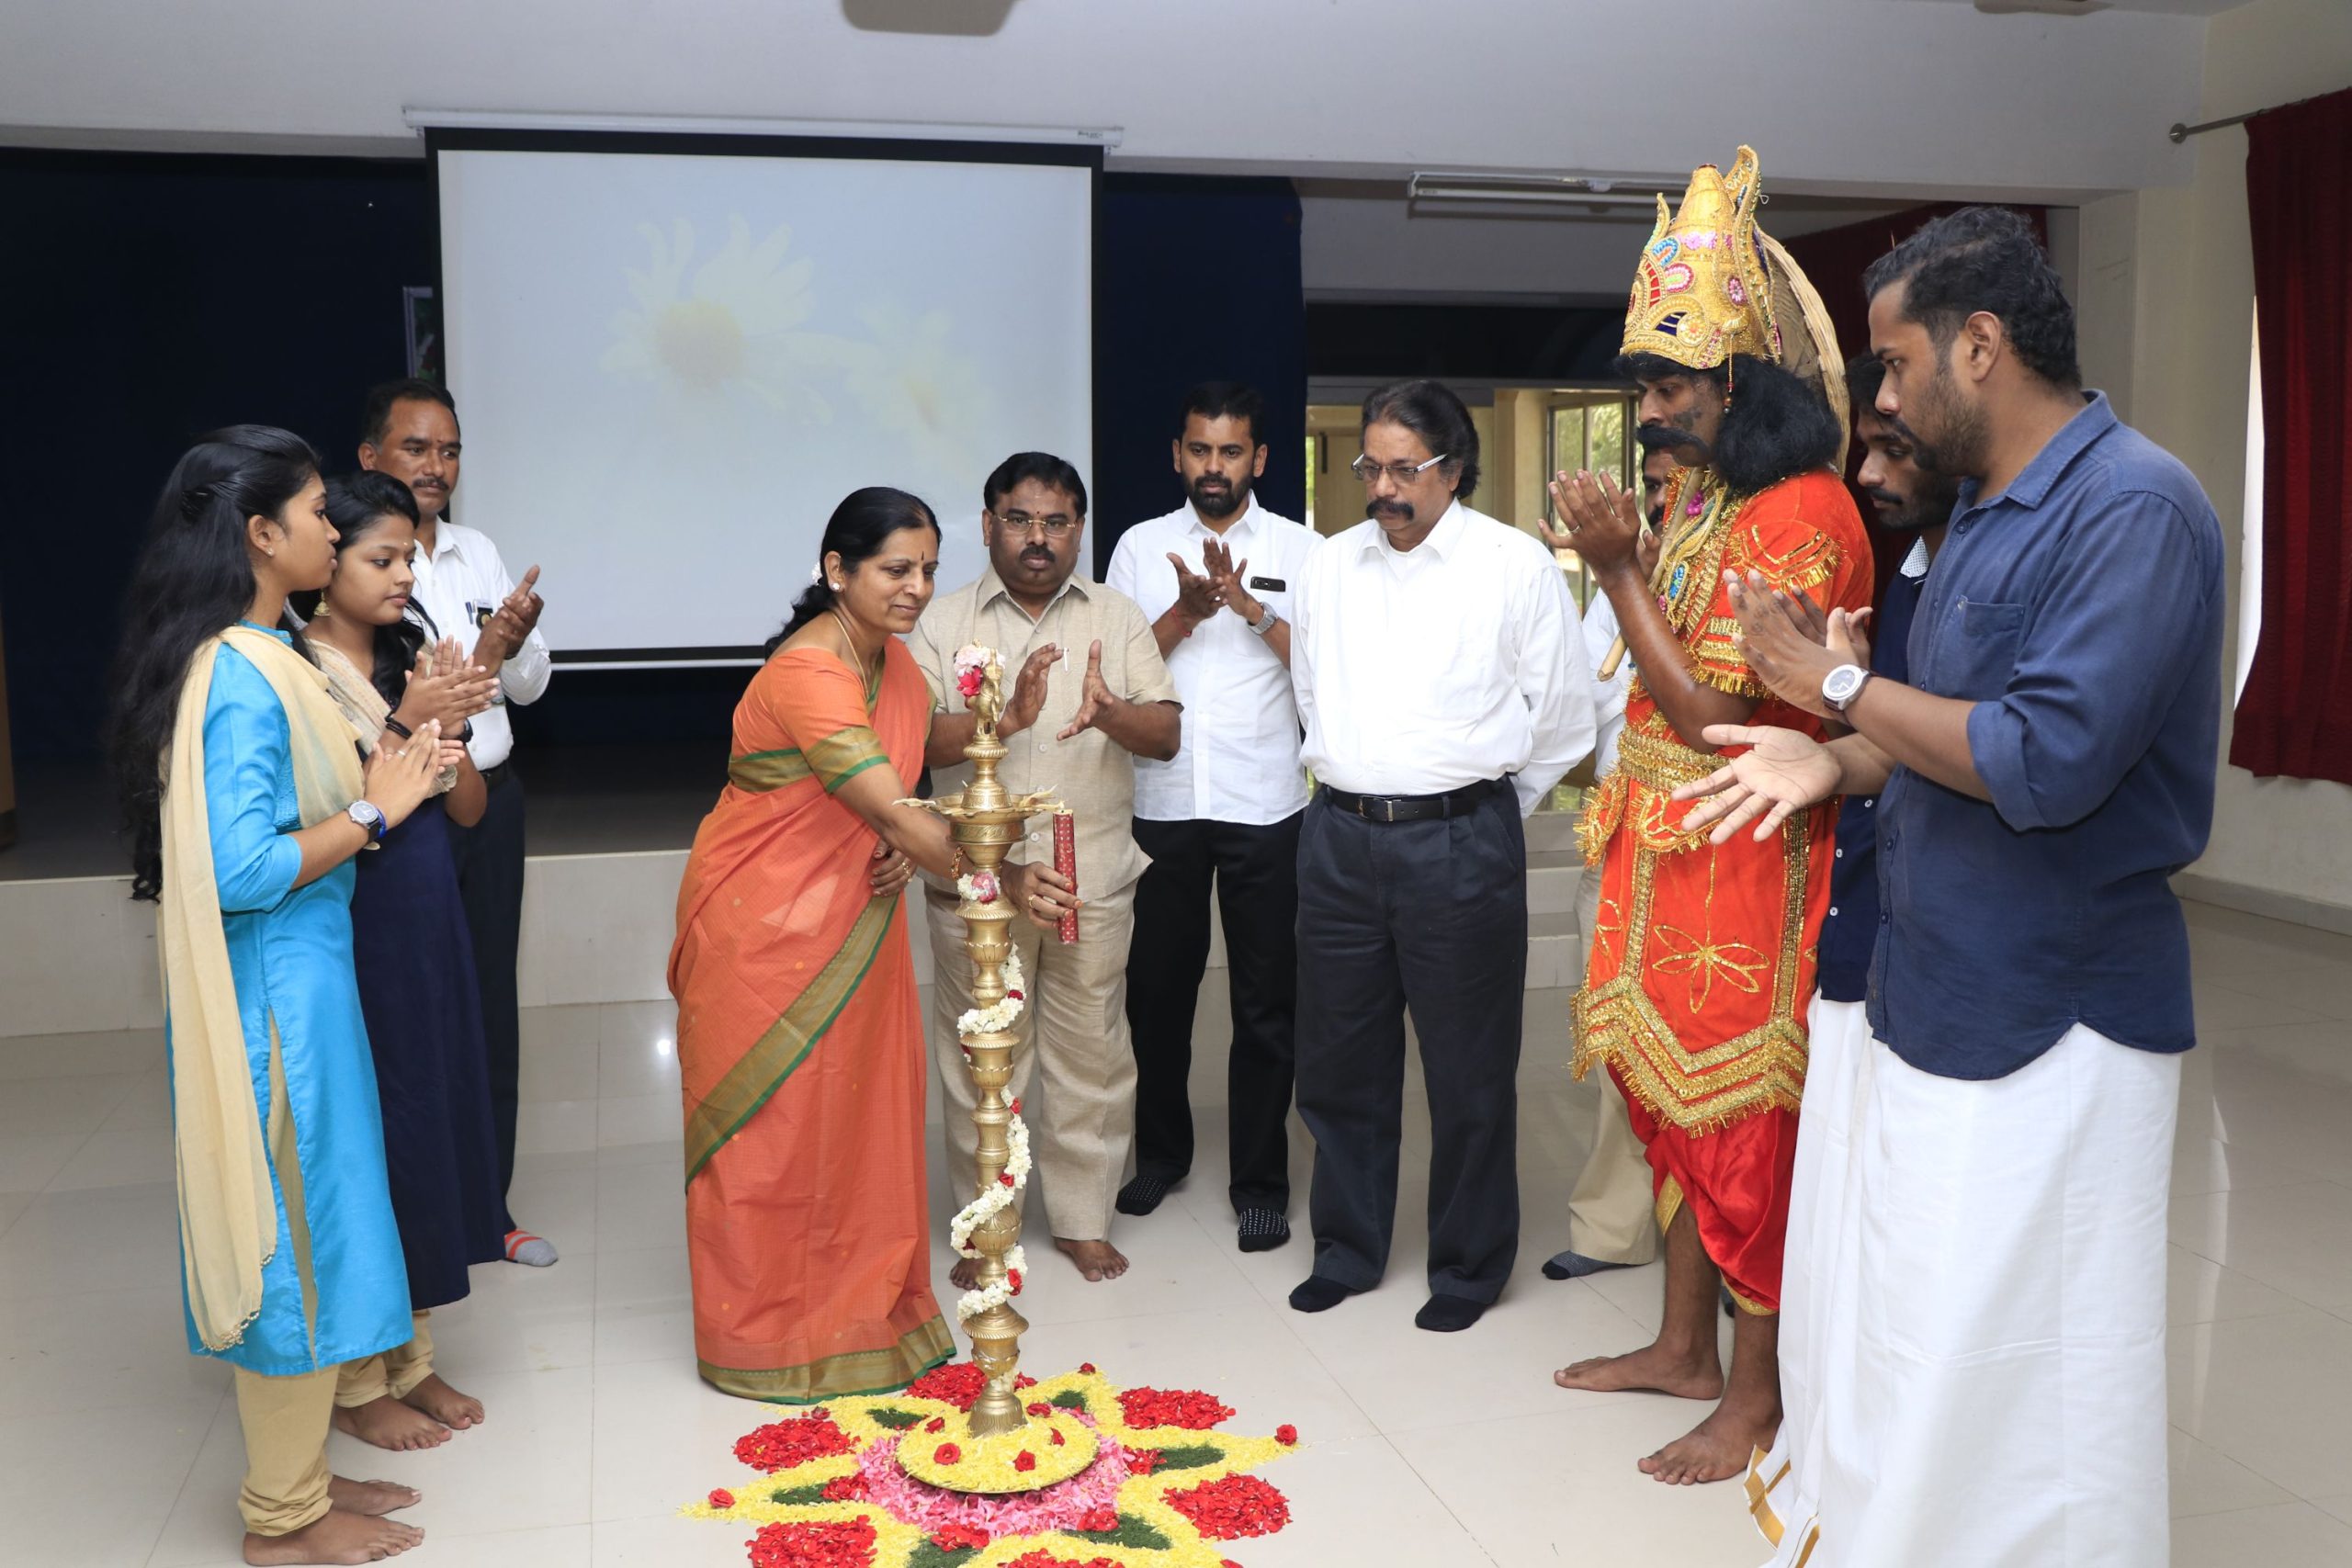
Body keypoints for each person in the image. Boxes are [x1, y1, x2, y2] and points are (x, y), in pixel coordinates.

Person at [1680, 205, 2222, 1565]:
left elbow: (2042, 758)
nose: (1881, 399)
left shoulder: (2134, 506)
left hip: (2058, 1010)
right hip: (1941, 986)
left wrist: (1836, 685)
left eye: (1897, 363)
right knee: (1932, 1339)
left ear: (1980, 346)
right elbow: (1939, 729)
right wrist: (1834, 759)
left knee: (2037, 1366)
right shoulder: (1982, 511)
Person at [1547, 146, 1872, 1484]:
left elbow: (1714, 719)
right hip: (1661, 860)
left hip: (1747, 861)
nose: (1648, 413)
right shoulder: (1708, 499)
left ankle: (1754, 1393)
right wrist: (1638, 556)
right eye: (1643, 388)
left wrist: (1616, 569)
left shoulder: (1802, 513)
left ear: (1743, 386)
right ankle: (1683, 1346)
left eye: (1669, 387)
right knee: (1669, 1117)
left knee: (1741, 1126)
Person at [107, 426, 454, 1564]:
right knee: (292, 1249)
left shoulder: (267, 653)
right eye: (314, 515)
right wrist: (377, 810)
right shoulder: (240, 674)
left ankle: (301, 1479)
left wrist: (392, 768)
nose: (330, 533)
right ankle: (280, 1521)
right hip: (276, 1007)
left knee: (324, 1233)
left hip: (307, 986)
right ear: (261, 535)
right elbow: (245, 868)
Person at [669, 487, 1075, 1402]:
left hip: (855, 914)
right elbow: (888, 807)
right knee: (772, 1134)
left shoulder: (889, 662)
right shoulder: (808, 672)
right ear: (836, 570)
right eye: (896, 568)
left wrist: (1003, 723)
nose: (918, 586)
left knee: (855, 1122)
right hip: (764, 930)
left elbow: (917, 746)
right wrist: (1003, 882)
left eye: (928, 568)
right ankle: (762, 1335)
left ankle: (855, 1317)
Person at [1285, 378, 1595, 1333]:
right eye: (1370, 467)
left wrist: (1478, 809)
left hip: (1460, 841)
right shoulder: (1328, 566)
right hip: (1338, 837)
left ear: (1452, 471)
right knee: (1338, 1061)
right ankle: (1346, 1249)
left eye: (1403, 469)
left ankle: (1466, 1267)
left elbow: (1563, 720)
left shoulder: (1512, 566)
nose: (1382, 487)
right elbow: (1310, 692)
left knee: (1467, 1069)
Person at [1737, 351, 1961, 1562]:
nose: (1869, 476)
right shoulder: (1917, 568)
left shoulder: (1976, 566)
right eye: (1865, 448)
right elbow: (1883, 740)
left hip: (1949, 953)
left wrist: (1833, 691)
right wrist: (1831, 743)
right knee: (1841, 1209)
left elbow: (1993, 749)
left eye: (1892, 451)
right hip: (1865, 917)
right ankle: (1829, 1445)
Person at [910, 452, 1181, 1285]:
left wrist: (1113, 712)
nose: (1038, 538)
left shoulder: (1117, 616)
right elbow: (914, 742)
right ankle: (986, 1226)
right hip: (977, 886)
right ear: (988, 525)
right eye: (1020, 520)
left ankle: (1082, 1219)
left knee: (1091, 1055)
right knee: (981, 1062)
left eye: (1056, 522)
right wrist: (1004, 719)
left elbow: (1166, 734)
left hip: (1091, 878)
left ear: (1079, 529)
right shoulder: (942, 622)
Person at [294, 471, 510, 1453]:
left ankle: (412, 1357)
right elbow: (332, 811)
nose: (403, 576)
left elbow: (466, 809)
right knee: (366, 1146)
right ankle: (357, 1378)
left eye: (408, 560)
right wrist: (405, 725)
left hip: (426, 920)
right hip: (355, 929)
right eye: (382, 558)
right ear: (325, 558)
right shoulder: (297, 671)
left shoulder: (407, 662)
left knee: (424, 1130)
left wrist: (444, 730)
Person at [1104, 381, 1321, 1253]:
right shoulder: (1138, 546)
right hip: (1163, 800)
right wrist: (1186, 614)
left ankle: (1260, 1182)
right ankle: (1161, 1154)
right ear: (1177, 454)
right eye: (1200, 449)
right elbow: (1118, 673)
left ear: (1258, 459)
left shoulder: (1305, 550)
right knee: (1157, 994)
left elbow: (1326, 669)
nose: (1214, 466)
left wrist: (1251, 610)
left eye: (1231, 451)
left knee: (1267, 1002)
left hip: (1267, 803)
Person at [357, 378, 555, 1268]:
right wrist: (485, 656)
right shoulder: (353, 560)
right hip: (405, 812)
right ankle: (417, 1209)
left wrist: (509, 648)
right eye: (416, 448)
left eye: (449, 450)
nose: (436, 466)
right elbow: (403, 706)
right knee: (416, 1010)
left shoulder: (479, 550)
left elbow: (528, 685)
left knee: (489, 1001)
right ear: (371, 456)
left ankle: (490, 1208)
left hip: (490, 795)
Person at [1544, 446, 1673, 1283]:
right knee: (1618, 1043)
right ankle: (1615, 1227)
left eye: (1676, 486)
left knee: (1725, 1053)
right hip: (1624, 839)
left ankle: (1735, 1249)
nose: (1661, 502)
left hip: (1722, 847)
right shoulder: (1619, 582)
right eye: (1651, 486)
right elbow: (1586, 710)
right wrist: (1631, 590)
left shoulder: (1747, 565)